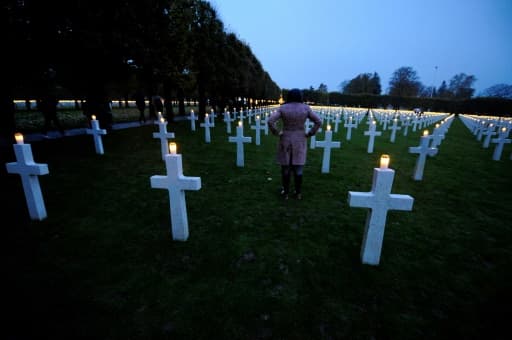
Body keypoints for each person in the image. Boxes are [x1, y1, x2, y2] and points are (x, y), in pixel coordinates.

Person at [268, 88, 321, 200]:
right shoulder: (306, 108)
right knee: (298, 167)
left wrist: (276, 132)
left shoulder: (283, 108)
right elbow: (318, 121)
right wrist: (310, 133)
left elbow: (270, 121)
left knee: (285, 167)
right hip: (300, 138)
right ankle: (298, 193)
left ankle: (286, 192)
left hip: (286, 137)